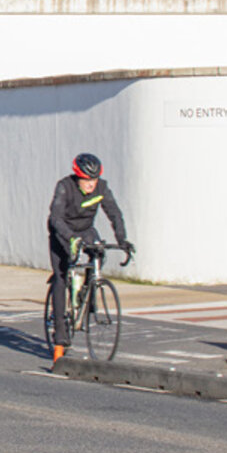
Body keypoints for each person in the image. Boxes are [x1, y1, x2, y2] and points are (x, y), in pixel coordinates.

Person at [47, 152, 132, 362]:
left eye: (93, 180)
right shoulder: (64, 187)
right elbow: (55, 217)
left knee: (98, 253)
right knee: (60, 277)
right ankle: (60, 337)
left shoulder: (102, 188)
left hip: (86, 230)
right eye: (86, 181)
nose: (90, 185)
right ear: (78, 177)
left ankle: (87, 291)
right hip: (63, 232)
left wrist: (122, 240)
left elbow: (114, 213)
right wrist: (69, 238)